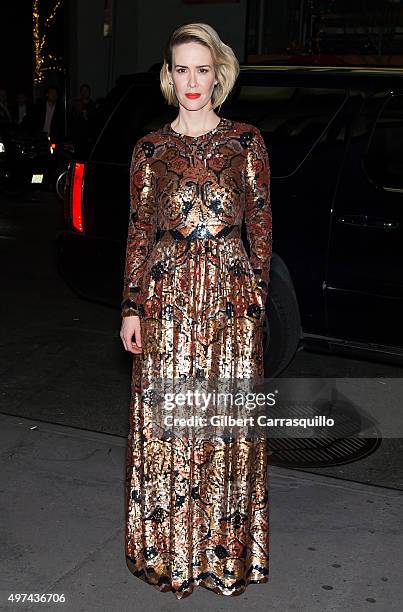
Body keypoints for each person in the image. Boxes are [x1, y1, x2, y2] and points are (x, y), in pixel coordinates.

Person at [120, 22, 272, 599]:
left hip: (230, 300)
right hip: (167, 299)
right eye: (181, 69)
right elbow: (138, 230)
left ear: (219, 73)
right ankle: (171, 555)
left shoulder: (245, 141)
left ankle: (220, 554)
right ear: (169, 75)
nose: (192, 81)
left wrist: (255, 295)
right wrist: (132, 306)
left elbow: (260, 222)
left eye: (202, 69)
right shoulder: (150, 149)